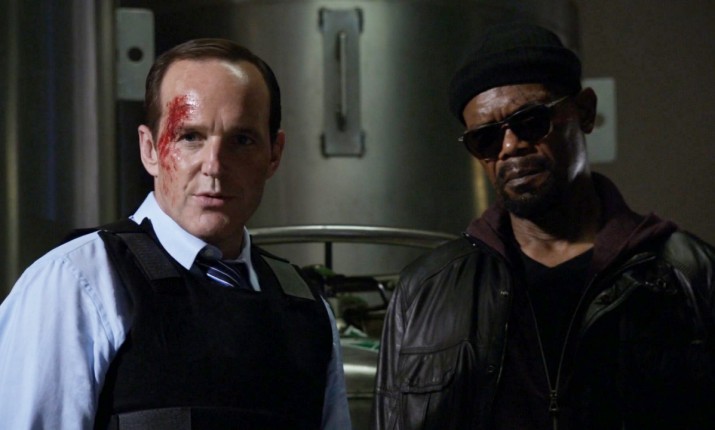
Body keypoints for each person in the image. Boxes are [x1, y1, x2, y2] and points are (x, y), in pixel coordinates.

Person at [372, 23, 715, 430]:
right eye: (486, 139)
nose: (510, 147)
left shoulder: (689, 275)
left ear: (584, 112)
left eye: (531, 121)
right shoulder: (425, 291)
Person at [0, 38, 351, 429]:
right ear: (149, 149)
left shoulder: (306, 311)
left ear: (274, 154)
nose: (214, 166)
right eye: (190, 137)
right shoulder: (79, 285)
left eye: (242, 140)